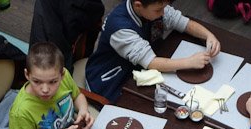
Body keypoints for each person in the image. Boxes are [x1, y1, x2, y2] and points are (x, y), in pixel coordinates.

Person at [85, 0, 221, 102]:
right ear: (138, 5)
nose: (162, 13)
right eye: (158, 10)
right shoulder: (120, 28)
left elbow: (183, 23)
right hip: (112, 80)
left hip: (140, 68)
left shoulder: (155, 5)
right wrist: (189, 62)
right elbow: (150, 62)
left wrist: (209, 35)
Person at [9, 42, 94, 129]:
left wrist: (83, 110)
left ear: (62, 74)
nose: (45, 89)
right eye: (37, 82)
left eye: (53, 82)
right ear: (26, 74)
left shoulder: (64, 78)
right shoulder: (21, 111)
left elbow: (77, 96)